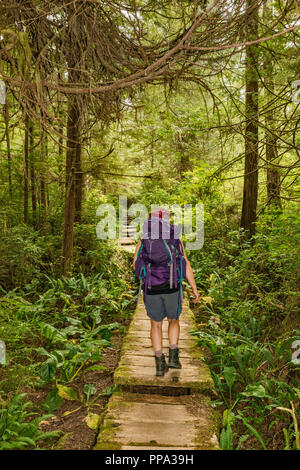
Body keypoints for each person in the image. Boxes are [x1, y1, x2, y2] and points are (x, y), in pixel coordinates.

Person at [133, 209, 200, 377]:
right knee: (173, 320)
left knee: (155, 324)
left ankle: (159, 364)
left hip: (151, 288)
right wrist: (194, 287)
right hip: (172, 287)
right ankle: (173, 357)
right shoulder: (175, 238)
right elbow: (184, 263)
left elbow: (135, 265)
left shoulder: (144, 239)